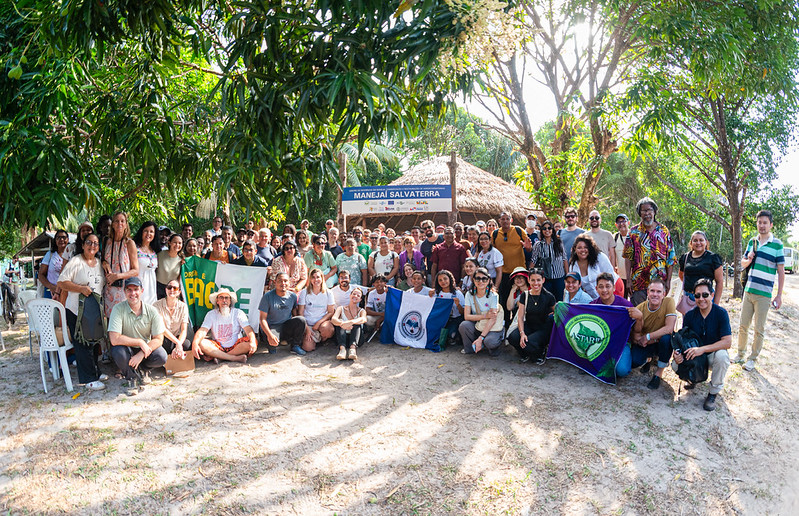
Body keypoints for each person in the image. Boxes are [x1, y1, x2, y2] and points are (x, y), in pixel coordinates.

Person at [734, 209, 785, 371]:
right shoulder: (752, 242)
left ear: (770, 224)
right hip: (748, 291)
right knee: (743, 325)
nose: (762, 225)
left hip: (764, 294)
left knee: (759, 329)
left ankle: (752, 359)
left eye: (765, 223)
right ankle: (740, 354)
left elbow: (781, 270)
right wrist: (748, 259)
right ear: (757, 224)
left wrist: (778, 295)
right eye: (759, 222)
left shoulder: (777, 244)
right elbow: (742, 264)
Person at [57, 232, 107, 390]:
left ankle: (95, 372)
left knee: (93, 342)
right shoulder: (75, 261)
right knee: (81, 343)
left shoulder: (99, 263)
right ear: (83, 245)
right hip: (75, 310)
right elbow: (62, 281)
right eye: (89, 242)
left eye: (95, 243)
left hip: (93, 311)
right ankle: (88, 379)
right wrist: (80, 288)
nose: (92, 246)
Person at [675, 278, 731, 411]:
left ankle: (712, 393)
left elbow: (727, 342)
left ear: (712, 295)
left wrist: (702, 349)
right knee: (675, 364)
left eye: (705, 295)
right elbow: (683, 339)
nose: (701, 299)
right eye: (697, 295)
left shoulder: (721, 313)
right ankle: (693, 378)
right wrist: (677, 353)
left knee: (722, 357)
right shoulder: (689, 315)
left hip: (712, 355)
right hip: (695, 355)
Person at [108, 277, 167, 395]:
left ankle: (144, 370)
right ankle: (131, 378)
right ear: (124, 292)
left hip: (144, 349)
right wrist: (139, 342)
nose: (133, 293)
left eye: (136, 289)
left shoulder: (151, 311)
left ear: (142, 291)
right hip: (126, 348)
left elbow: (159, 339)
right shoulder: (118, 309)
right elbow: (114, 339)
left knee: (161, 356)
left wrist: (141, 353)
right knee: (118, 352)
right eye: (129, 290)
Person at [623, 197, 676, 305]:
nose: (647, 213)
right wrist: (628, 281)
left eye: (650, 210)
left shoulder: (664, 231)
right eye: (644, 210)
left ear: (654, 211)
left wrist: (668, 281)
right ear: (640, 213)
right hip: (639, 283)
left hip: (659, 283)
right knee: (639, 316)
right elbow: (628, 257)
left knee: (657, 317)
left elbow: (671, 258)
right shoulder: (633, 232)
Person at [628, 278, 677, 390]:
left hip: (658, 340)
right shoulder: (640, 308)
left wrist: (649, 337)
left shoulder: (669, 302)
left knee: (666, 339)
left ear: (664, 294)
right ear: (647, 293)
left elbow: (669, 328)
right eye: (652, 291)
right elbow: (635, 337)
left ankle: (658, 374)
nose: (655, 294)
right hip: (646, 344)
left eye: (659, 292)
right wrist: (642, 340)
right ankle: (649, 359)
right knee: (634, 361)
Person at [192, 288, 256, 364]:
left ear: (230, 301)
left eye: (226, 298)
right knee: (201, 342)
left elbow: (248, 329)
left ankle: (221, 358)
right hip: (217, 347)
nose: (224, 300)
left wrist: (252, 341)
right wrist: (195, 343)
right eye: (221, 298)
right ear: (217, 301)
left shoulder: (238, 313)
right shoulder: (211, 314)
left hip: (236, 346)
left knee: (252, 341)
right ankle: (232, 358)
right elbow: (202, 331)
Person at [507, 268, 556, 364]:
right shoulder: (524, 295)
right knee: (512, 337)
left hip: (543, 328)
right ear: (528, 280)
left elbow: (557, 313)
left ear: (543, 280)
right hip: (529, 325)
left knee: (529, 344)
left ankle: (541, 351)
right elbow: (520, 317)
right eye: (532, 280)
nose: (535, 283)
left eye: (538, 280)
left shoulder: (549, 296)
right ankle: (525, 353)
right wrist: (522, 333)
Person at [590, 272, 634, 377]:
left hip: (621, 343)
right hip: (600, 343)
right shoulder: (592, 306)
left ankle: (628, 359)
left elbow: (635, 328)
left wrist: (640, 317)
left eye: (608, 286)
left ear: (614, 288)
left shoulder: (625, 305)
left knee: (622, 371)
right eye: (601, 287)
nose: (604, 290)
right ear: (596, 288)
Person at [492, 212, 530, 326]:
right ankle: (506, 324)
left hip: (519, 273)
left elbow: (528, 247)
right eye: (502, 219)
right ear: (499, 221)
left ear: (511, 220)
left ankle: (519, 324)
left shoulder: (519, 231)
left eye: (507, 219)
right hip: (503, 273)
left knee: (519, 299)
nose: (505, 221)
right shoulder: (494, 234)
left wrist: (528, 247)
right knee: (504, 299)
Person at [258, 272, 308, 355]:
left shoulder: (292, 296)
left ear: (289, 283)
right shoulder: (267, 297)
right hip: (272, 327)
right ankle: (273, 342)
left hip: (285, 326)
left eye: (285, 281)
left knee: (301, 320)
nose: (283, 283)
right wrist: (270, 335)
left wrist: (301, 329)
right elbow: (262, 319)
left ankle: (295, 345)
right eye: (280, 281)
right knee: (272, 348)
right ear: (275, 282)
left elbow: (294, 314)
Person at [102, 212, 140, 318]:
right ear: (112, 224)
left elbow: (136, 270)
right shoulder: (107, 241)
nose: (120, 223)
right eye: (117, 221)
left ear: (126, 224)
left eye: (122, 221)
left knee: (123, 321)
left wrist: (117, 276)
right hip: (109, 288)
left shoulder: (129, 243)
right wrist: (104, 263)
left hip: (124, 289)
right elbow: (103, 260)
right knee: (110, 320)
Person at [459, 267, 503, 356]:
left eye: (484, 279)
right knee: (464, 325)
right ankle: (470, 349)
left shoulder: (493, 295)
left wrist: (481, 338)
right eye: (478, 278)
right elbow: (466, 316)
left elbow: (493, 319)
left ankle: (492, 344)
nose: (481, 281)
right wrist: (485, 316)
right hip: (478, 325)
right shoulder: (469, 294)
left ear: (488, 280)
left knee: (490, 342)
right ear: (473, 280)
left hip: (492, 327)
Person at [677, 230, 723, 315]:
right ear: (691, 243)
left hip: (706, 298)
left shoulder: (713, 258)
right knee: (688, 326)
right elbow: (681, 275)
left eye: (701, 240)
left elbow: (719, 281)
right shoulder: (685, 258)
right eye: (695, 240)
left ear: (706, 242)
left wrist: (716, 303)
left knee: (706, 325)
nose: (698, 243)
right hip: (689, 298)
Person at [153, 279, 192, 360]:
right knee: (162, 345)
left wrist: (179, 344)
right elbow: (162, 329)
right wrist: (177, 343)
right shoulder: (156, 305)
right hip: (163, 338)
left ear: (179, 292)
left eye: (175, 288)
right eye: (169, 287)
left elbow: (184, 330)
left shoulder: (183, 306)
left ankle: (174, 356)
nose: (172, 290)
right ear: (166, 289)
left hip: (176, 338)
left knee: (187, 344)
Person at [569, 234, 617, 301]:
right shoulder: (573, 265)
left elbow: (611, 275)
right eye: (579, 248)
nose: (583, 250)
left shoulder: (599, 257)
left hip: (613, 288)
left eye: (586, 247)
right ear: (575, 249)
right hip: (593, 298)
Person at [298, 268, 336, 352]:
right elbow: (300, 313)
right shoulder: (304, 292)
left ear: (322, 278)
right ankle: (312, 340)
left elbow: (331, 312)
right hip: (309, 324)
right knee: (307, 348)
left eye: (318, 277)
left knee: (328, 329)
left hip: (322, 323)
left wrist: (318, 323)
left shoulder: (328, 293)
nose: (316, 280)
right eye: (313, 277)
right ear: (310, 279)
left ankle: (322, 339)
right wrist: (307, 329)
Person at [530, 220, 568, 302]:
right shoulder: (538, 245)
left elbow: (564, 259)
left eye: (549, 228)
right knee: (546, 300)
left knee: (560, 300)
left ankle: (559, 315)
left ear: (552, 230)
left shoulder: (558, 242)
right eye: (544, 228)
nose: (547, 230)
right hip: (546, 278)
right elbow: (533, 260)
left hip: (559, 277)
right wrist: (530, 275)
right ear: (541, 231)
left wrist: (567, 275)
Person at [429, 269, 464, 348]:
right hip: (441, 319)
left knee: (452, 334)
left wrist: (458, 305)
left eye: (445, 279)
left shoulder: (457, 293)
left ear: (450, 279)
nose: (443, 282)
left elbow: (463, 312)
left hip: (454, 319)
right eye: (440, 280)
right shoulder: (436, 293)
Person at [332, 288, 367, 360]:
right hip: (342, 337)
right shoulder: (340, 308)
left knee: (357, 323)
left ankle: (352, 350)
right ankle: (342, 350)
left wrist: (350, 322)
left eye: (358, 295)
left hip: (356, 338)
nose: (355, 296)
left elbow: (363, 319)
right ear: (350, 295)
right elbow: (333, 319)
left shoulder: (361, 310)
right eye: (354, 294)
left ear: (360, 299)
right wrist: (343, 323)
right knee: (339, 323)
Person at [133, 221, 161, 305]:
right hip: (138, 286)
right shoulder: (135, 248)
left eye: (151, 231)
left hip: (151, 289)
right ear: (141, 232)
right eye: (146, 231)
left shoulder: (156, 251)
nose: (148, 234)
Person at [40, 229, 70, 301]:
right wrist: (52, 287)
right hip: (51, 292)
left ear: (68, 239)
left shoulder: (71, 255)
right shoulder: (50, 254)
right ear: (55, 240)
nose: (61, 239)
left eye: (64, 237)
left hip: (67, 293)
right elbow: (41, 274)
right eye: (58, 238)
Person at [156, 233, 183, 299]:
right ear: (169, 243)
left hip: (172, 290)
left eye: (180, 243)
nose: (177, 245)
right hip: (158, 288)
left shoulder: (181, 260)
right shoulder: (160, 254)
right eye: (175, 242)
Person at [505, 267, 529, 337]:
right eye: (516, 278)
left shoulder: (532, 289)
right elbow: (509, 307)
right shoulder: (515, 292)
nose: (518, 280)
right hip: (517, 320)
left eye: (521, 277)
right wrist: (512, 291)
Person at [613, 214, 631, 298]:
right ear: (616, 225)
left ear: (628, 222)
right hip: (620, 277)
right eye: (619, 222)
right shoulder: (615, 237)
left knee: (635, 303)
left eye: (623, 221)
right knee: (622, 301)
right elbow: (611, 255)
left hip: (633, 277)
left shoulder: (634, 236)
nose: (621, 224)